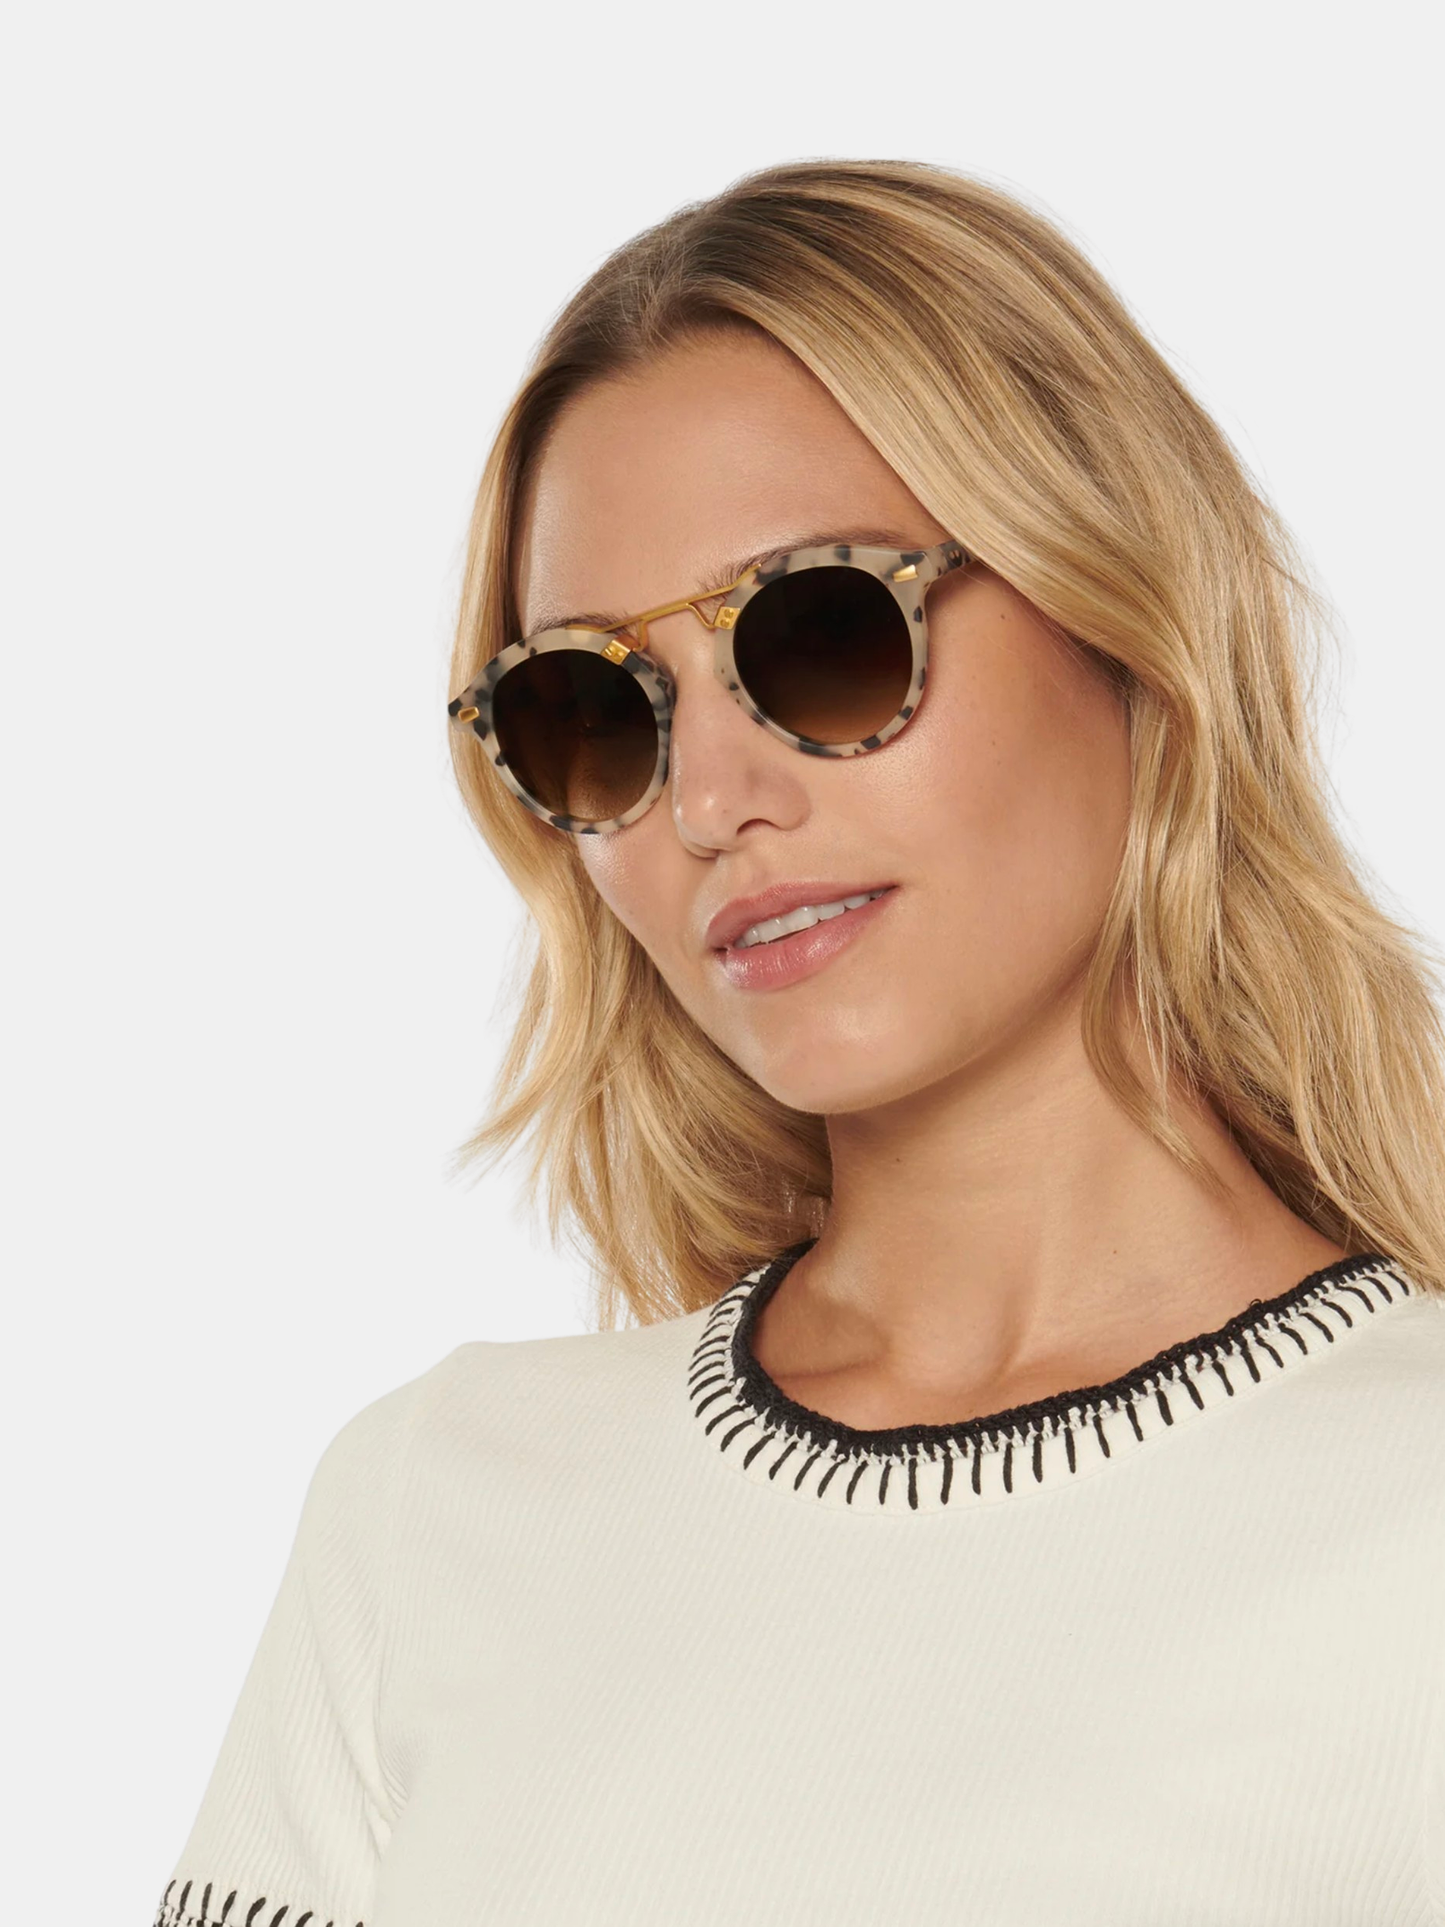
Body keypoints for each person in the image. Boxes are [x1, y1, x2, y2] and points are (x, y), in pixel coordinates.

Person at [152, 158, 1445, 1926]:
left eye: (820, 630)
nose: (709, 801)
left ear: (1124, 618)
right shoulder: (433, 1506)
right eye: (595, 710)